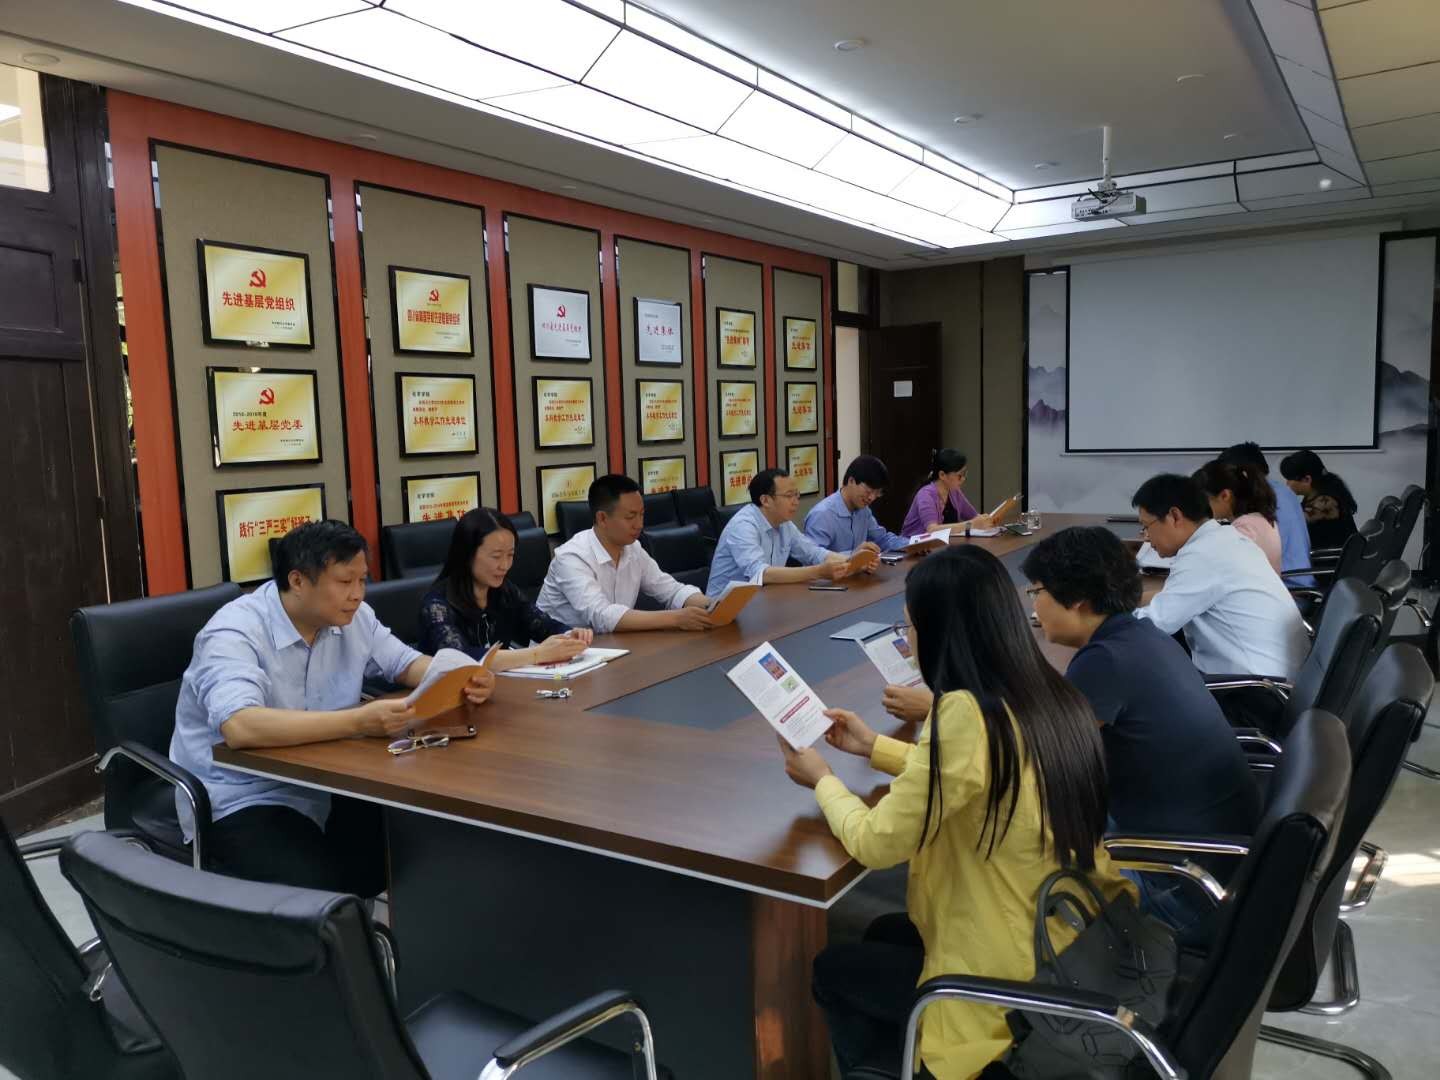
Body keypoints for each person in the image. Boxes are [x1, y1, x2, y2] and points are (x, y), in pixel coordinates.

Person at [775, 546, 1132, 1079]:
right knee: (884, 932)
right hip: (1072, 932)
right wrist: (873, 746)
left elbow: (877, 842)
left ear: (940, 631)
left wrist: (822, 779)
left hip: (1011, 981)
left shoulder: (965, 712)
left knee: (833, 967)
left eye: (910, 625)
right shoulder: (1046, 691)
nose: (908, 638)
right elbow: (981, 776)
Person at [168, 520, 494, 897]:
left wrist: (462, 676)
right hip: (242, 795)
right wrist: (357, 722)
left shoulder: (354, 617)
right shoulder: (234, 632)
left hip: (328, 781)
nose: (357, 594)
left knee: (422, 843)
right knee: (318, 890)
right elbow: (240, 727)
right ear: (298, 581)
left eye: (362, 580)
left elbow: (405, 664)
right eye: (344, 582)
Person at [1021, 526, 1261, 932]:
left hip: (1178, 886)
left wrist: (947, 709)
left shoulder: (1106, 661)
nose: (1035, 605)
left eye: (1036, 591)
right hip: (1216, 860)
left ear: (1076, 598)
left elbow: (1032, 752)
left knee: (1016, 843)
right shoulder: (1140, 636)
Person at [1131, 474, 1309, 679]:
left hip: (1253, 687)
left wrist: (1102, 618)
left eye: (1147, 526)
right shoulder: (1224, 539)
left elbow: (1155, 623)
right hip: (1281, 675)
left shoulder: (1203, 555)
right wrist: (1126, 600)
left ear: (1175, 516)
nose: (1146, 536)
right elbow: (1171, 598)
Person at [419, 508, 593, 670]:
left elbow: (542, 625)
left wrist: (569, 635)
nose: (505, 565)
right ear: (467, 555)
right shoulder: (437, 604)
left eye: (510, 555)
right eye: (496, 556)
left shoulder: (504, 591)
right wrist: (536, 654)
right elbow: (459, 659)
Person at [537, 474, 714, 632]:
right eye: (630, 517)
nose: (639, 525)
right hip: (557, 652)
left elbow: (672, 590)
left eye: (642, 515)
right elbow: (602, 616)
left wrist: (712, 607)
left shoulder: (633, 549)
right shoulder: (571, 557)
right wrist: (676, 619)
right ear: (602, 518)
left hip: (609, 647)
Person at [706, 468, 857, 599]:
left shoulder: (785, 524)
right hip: (724, 608)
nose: (796, 502)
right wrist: (817, 572)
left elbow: (814, 553)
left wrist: (853, 562)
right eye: (789, 496)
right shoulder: (743, 526)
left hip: (764, 600)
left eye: (797, 495)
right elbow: (761, 574)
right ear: (765, 500)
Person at [1218, 441, 1314, 586]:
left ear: (1243, 474)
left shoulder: (1266, 497)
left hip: (1287, 584)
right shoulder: (1279, 490)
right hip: (1295, 577)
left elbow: (1248, 553)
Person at [803, 454, 907, 555]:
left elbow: (881, 539)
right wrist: (853, 555)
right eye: (868, 491)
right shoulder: (821, 515)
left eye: (877, 493)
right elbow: (813, 560)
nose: (872, 498)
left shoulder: (864, 511)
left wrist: (911, 544)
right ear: (851, 481)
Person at [1193, 459, 1283, 573]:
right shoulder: (1258, 519)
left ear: (1225, 496)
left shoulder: (1245, 528)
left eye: (1206, 501)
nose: (1204, 507)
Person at [900, 448, 993, 537]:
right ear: (942, 475)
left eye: (965, 474)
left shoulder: (954, 491)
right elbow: (932, 530)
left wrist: (985, 520)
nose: (963, 479)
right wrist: (971, 524)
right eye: (960, 475)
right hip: (914, 545)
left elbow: (974, 517)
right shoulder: (925, 495)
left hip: (942, 545)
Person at [1280, 449, 1359, 551]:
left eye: (1289, 479)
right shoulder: (1321, 492)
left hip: (1327, 559)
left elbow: (1288, 525)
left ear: (1307, 480)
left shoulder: (1325, 503)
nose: (1287, 484)